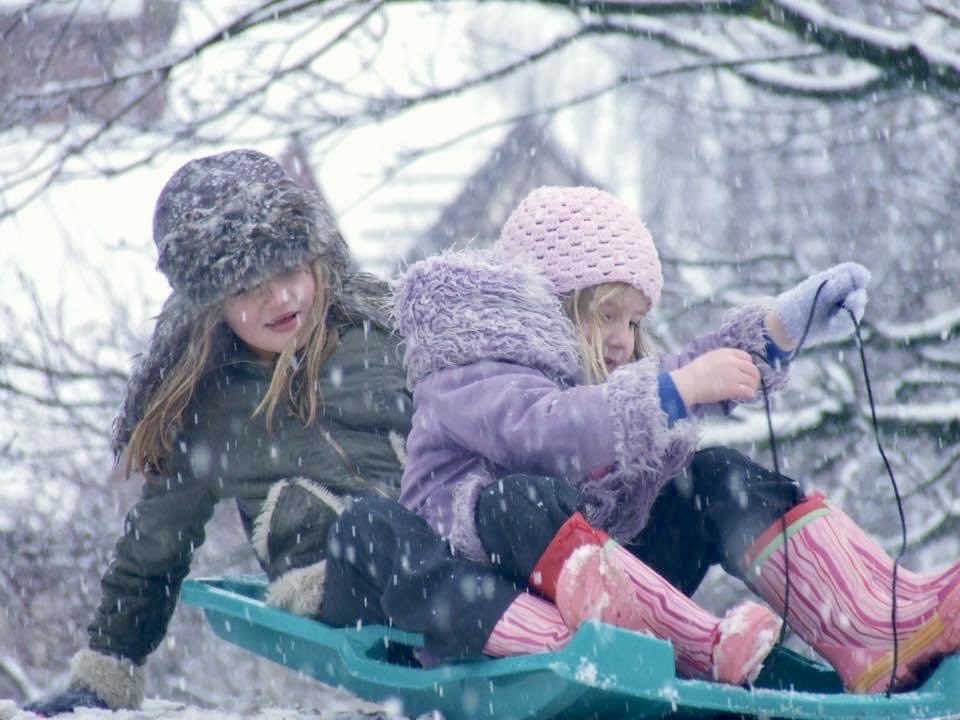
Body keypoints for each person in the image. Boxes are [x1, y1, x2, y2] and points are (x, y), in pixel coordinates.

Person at [394, 185, 960, 694]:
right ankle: (697, 645)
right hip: (494, 609)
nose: (623, 341)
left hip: (611, 596)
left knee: (710, 478)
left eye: (636, 322)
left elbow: (677, 370)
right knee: (520, 497)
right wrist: (675, 388)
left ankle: (871, 625)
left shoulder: (595, 371)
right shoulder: (468, 366)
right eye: (609, 315)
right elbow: (548, 431)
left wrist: (778, 330)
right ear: (552, 304)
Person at [22, 149, 420, 715]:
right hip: (334, 580)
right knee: (376, 532)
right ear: (213, 304)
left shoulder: (376, 333)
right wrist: (109, 667)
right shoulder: (212, 407)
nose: (280, 297)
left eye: (288, 269)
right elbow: (156, 542)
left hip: (435, 549)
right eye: (248, 286)